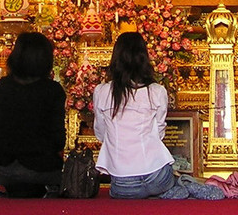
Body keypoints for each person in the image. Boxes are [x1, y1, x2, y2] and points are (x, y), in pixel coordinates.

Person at [93, 32, 223, 200]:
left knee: (117, 193)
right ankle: (180, 186)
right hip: (157, 176)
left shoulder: (102, 92)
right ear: (144, 59)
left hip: (123, 185)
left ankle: (171, 190)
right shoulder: (156, 91)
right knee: (170, 178)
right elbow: (159, 133)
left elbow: (101, 132)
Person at [0, 31, 65, 198]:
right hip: (42, 170)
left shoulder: (3, 86)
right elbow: (58, 138)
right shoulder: (52, 90)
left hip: (3, 170)